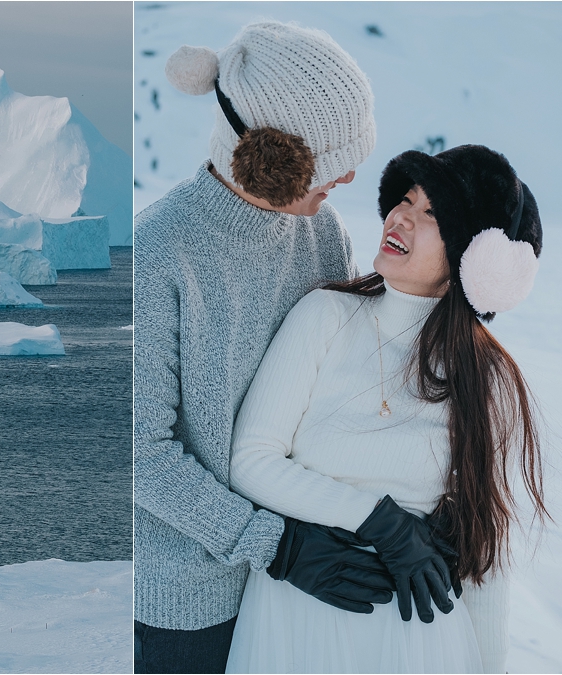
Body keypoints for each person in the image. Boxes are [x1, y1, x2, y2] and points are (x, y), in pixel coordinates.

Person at [134, 21, 399, 674]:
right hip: (187, 606)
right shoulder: (159, 253)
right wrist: (273, 544)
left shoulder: (323, 234)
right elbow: (139, 452)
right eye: (330, 161)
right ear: (268, 159)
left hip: (292, 586)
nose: (352, 175)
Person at [225, 144, 548, 674]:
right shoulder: (325, 315)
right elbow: (251, 461)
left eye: (432, 214)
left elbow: (485, 561)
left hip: (416, 644)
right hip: (294, 629)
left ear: (472, 259)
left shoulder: (485, 380)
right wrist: (381, 522)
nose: (401, 217)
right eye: (405, 198)